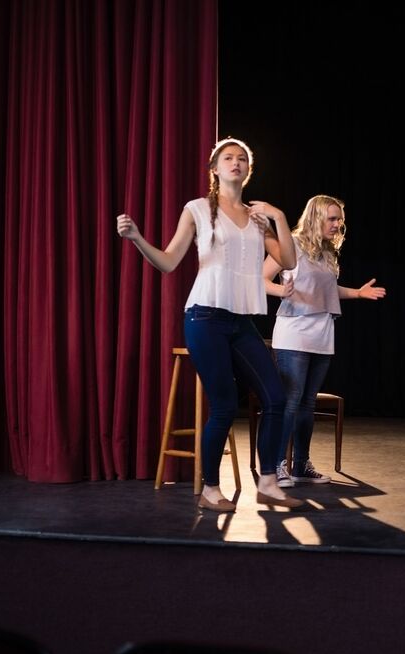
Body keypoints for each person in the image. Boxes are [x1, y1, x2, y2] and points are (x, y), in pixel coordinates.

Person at [116, 137, 302, 511]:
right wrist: (137, 239)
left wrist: (280, 218)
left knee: (276, 398)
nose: (236, 162)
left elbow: (289, 259)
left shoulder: (257, 217)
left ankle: (268, 483)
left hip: (241, 321)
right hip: (204, 317)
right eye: (228, 158)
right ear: (215, 169)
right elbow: (169, 262)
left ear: (248, 171)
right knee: (223, 405)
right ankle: (211, 490)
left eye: (242, 159)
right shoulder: (198, 209)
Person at [264, 195, 385, 487]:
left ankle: (300, 465)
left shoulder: (328, 253)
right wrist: (281, 292)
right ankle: (276, 464)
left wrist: (357, 293)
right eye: (332, 218)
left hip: (322, 333)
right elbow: (261, 278)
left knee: (307, 404)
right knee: (291, 402)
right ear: (316, 217)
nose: (337, 224)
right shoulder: (290, 243)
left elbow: (327, 290)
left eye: (339, 219)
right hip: (294, 332)